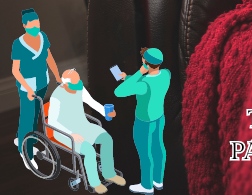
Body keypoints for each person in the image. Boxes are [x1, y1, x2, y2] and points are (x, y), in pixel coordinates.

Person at [48, 69, 125, 194]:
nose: (78, 84)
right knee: (89, 151)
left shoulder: (80, 88)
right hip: (64, 132)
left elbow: (92, 102)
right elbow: (52, 122)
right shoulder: (57, 96)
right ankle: (95, 183)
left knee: (107, 139)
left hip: (82, 126)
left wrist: (106, 112)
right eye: (75, 82)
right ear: (66, 84)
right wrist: (71, 133)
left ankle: (109, 173)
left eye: (79, 80)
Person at [114, 48, 171, 195]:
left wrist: (139, 73)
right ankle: (158, 180)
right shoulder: (166, 74)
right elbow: (151, 79)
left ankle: (147, 186)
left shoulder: (143, 84)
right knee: (158, 148)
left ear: (145, 63)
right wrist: (127, 77)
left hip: (144, 122)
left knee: (145, 154)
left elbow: (119, 92)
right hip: (159, 118)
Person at [11, 8, 61, 170]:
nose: (35, 27)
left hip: (42, 82)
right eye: (31, 25)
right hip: (28, 87)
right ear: (24, 26)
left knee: (35, 116)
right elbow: (15, 71)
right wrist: (26, 88)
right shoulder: (18, 44)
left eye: (37, 24)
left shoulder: (42, 37)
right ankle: (26, 153)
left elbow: (49, 57)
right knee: (27, 117)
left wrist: (57, 76)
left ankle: (23, 139)